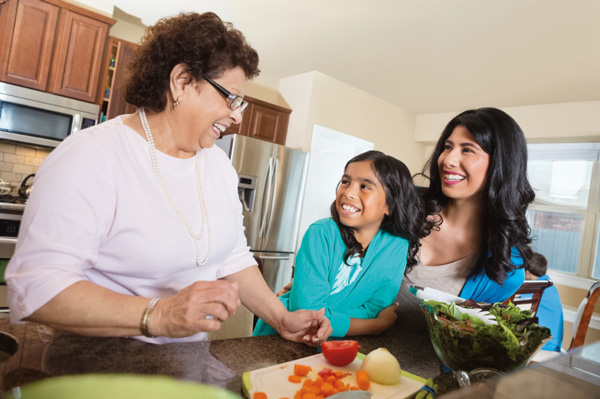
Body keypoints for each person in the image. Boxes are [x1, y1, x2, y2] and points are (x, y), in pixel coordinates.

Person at [5, 12, 331, 345]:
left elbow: (232, 256)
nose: (237, 115)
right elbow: (35, 286)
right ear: (182, 81)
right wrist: (160, 314)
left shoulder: (218, 165)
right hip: (96, 364)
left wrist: (282, 318)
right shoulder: (94, 155)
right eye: (231, 98)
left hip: (186, 364)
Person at [253, 150, 430, 337]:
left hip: (342, 347)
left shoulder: (397, 246)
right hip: (280, 339)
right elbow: (306, 318)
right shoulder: (320, 234)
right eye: (345, 182)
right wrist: (376, 325)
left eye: (364, 186)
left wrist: (328, 316)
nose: (348, 192)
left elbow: (376, 308)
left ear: (390, 204)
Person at [396, 107, 534, 329]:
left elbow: (463, 340)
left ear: (500, 164)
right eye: (448, 147)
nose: (448, 159)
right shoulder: (402, 204)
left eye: (467, 150)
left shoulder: (505, 268)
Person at [525, 252, 564, 352]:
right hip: (553, 343)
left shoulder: (537, 289)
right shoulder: (549, 285)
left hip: (545, 345)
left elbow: (511, 297)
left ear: (527, 272)